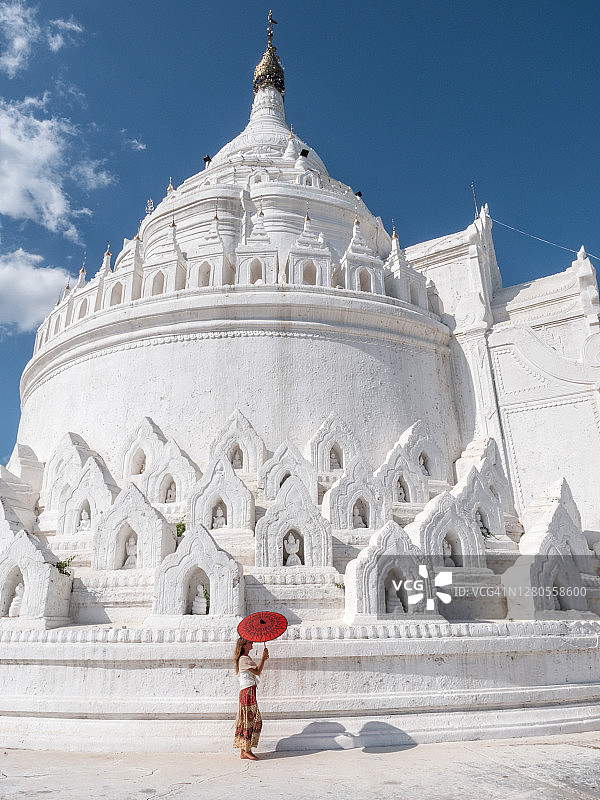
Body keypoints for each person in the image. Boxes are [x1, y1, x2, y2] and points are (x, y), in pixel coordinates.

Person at [233, 637, 269, 760]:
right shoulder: (243, 659)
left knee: (249, 719)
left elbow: (256, 672)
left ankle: (245, 751)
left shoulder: (246, 659)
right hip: (247, 691)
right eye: (249, 642)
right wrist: (263, 658)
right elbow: (257, 671)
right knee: (250, 720)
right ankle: (246, 750)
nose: (252, 643)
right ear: (244, 645)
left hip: (249, 690)